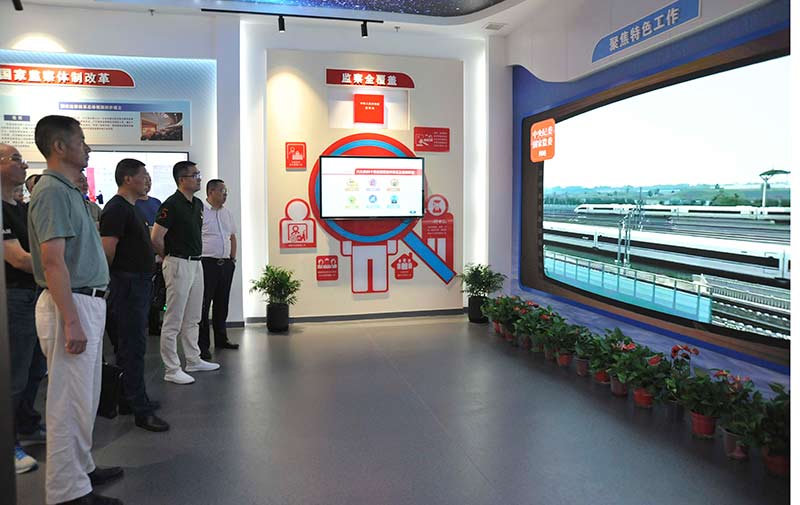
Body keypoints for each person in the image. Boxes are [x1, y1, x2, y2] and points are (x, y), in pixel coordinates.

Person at [28, 115, 123, 505]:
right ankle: (67, 492)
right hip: (72, 303)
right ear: (59, 147)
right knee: (68, 403)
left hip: (86, 302)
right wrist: (71, 320)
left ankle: (81, 468)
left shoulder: (68, 191)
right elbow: (53, 262)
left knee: (85, 397)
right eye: (81, 141)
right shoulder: (51, 191)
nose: (87, 147)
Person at [99, 159, 169, 433]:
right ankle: (140, 409)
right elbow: (108, 251)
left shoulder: (131, 208)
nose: (148, 180)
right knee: (132, 347)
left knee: (133, 346)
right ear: (128, 179)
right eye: (144, 175)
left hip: (137, 284)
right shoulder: (117, 208)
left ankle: (130, 398)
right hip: (126, 286)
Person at [1, 144, 47, 475]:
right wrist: (57, 267)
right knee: (14, 375)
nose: (24, 164)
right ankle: (8, 443)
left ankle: (26, 423)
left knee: (35, 369)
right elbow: (17, 258)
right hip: (13, 297)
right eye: (16, 159)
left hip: (33, 294)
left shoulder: (19, 207)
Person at [151, 161, 220, 385]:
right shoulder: (171, 204)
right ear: (182, 180)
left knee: (193, 317)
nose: (199, 178)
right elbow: (156, 238)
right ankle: (172, 368)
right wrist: (168, 257)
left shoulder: (198, 204)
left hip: (196, 263)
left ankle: (193, 359)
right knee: (173, 319)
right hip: (177, 262)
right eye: (194, 175)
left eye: (198, 174)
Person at [199, 179, 239, 360]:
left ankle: (222, 339)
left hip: (226, 264)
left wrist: (232, 259)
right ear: (211, 192)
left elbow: (232, 237)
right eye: (222, 191)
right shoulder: (200, 211)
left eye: (226, 191)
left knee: (222, 303)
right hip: (206, 264)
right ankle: (203, 345)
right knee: (204, 304)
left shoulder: (227, 213)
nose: (225, 194)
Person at [135, 172, 165, 336]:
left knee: (157, 292)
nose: (148, 183)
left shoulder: (156, 203)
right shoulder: (132, 204)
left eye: (150, 181)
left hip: (158, 254)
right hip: (140, 256)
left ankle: (155, 323)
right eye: (145, 180)